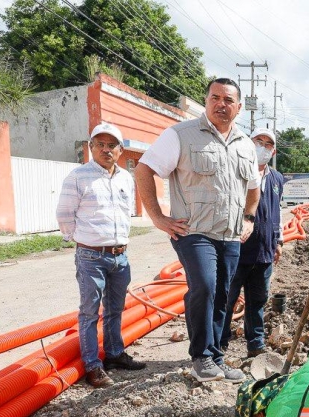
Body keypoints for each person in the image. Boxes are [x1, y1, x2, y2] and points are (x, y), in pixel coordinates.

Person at [135, 78, 260, 383]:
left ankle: (216, 356)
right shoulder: (181, 135)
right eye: (215, 97)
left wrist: (249, 219)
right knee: (204, 285)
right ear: (205, 101)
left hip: (230, 234)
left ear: (239, 107)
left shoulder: (245, 144)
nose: (221, 104)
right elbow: (143, 170)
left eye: (228, 100)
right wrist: (158, 217)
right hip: (193, 232)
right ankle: (201, 357)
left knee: (222, 294)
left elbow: (254, 189)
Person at [56, 123, 147, 388]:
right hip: (91, 257)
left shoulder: (125, 178)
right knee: (89, 312)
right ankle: (93, 366)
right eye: (101, 144)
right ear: (92, 147)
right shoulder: (78, 177)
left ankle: (115, 355)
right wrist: (83, 241)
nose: (106, 150)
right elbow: (64, 215)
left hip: (121, 256)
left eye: (112, 145)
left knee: (116, 309)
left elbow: (127, 211)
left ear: (120, 150)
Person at [221, 127, 284, 357]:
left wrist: (278, 242)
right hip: (237, 250)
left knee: (257, 301)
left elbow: (277, 213)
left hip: (265, 253)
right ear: (249, 143)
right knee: (226, 300)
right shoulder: (237, 172)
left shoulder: (276, 179)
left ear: (273, 151)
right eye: (259, 141)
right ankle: (220, 343)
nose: (264, 147)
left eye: (268, 144)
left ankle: (255, 344)